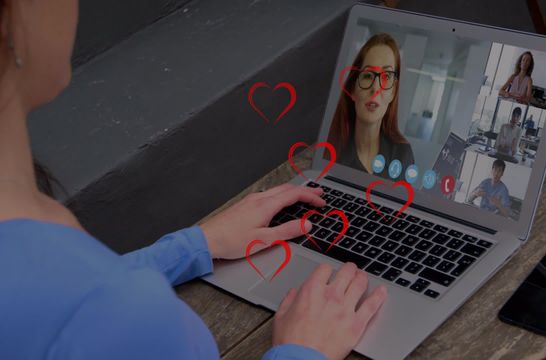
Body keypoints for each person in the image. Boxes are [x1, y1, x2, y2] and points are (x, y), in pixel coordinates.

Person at [0, 1, 387, 359]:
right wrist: (303, 350)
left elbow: (60, 299)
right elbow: (89, 312)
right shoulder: (126, 321)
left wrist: (193, 246)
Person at [327, 33, 414, 179]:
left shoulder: (403, 154)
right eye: (367, 76)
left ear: (393, 92)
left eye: (386, 77)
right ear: (353, 90)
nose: (375, 88)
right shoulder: (329, 152)